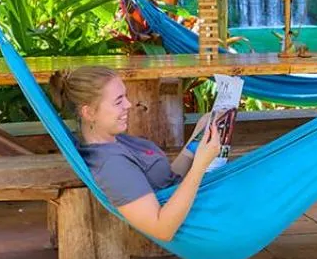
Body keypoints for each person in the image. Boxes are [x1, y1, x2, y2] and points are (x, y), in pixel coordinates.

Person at [46, 66, 222, 242]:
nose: (129, 105)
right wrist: (200, 166)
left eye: (125, 96)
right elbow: (161, 229)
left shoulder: (114, 141)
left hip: (205, 206)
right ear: (89, 112)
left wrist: (196, 140)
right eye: (118, 101)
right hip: (206, 223)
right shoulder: (112, 167)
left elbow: (165, 183)